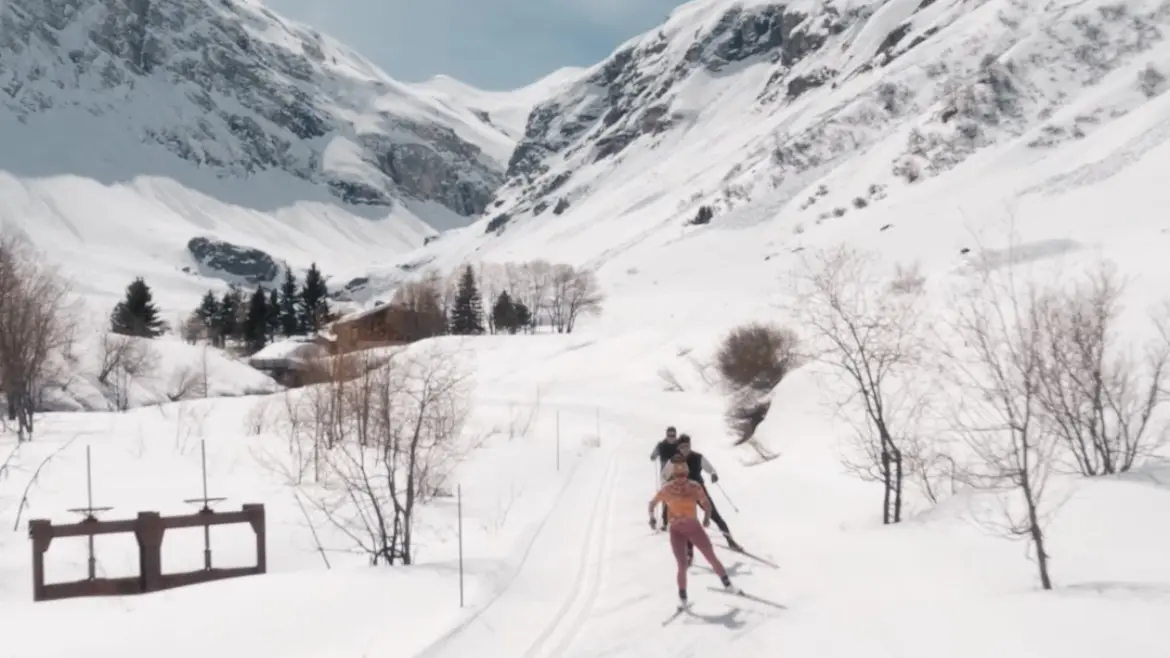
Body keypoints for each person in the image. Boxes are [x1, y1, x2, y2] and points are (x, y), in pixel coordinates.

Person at [648, 457, 733, 606]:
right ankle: (683, 597)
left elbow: (706, 503)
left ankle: (728, 584)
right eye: (677, 475)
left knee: (710, 556)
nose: (680, 479)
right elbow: (652, 503)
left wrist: (706, 517)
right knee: (682, 565)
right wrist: (652, 518)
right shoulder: (667, 489)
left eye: (683, 475)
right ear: (672, 475)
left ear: (687, 474)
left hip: (694, 528)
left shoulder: (694, 487)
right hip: (676, 531)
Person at [659, 435, 743, 552]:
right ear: (678, 448)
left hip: (699, 491)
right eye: (682, 447)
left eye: (687, 446)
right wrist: (668, 485)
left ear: (690, 445)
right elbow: (663, 476)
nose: (685, 449)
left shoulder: (698, 457)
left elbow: (710, 468)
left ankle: (730, 541)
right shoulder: (674, 461)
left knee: (715, 515)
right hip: (683, 494)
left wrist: (713, 474)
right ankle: (687, 549)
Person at [649, 426, 680, 527]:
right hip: (665, 475)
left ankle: (677, 518)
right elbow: (653, 456)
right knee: (666, 497)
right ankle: (665, 520)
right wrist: (653, 456)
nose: (671, 438)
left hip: (677, 474)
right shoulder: (661, 445)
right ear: (666, 435)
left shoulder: (679, 445)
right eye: (669, 435)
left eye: (673, 435)